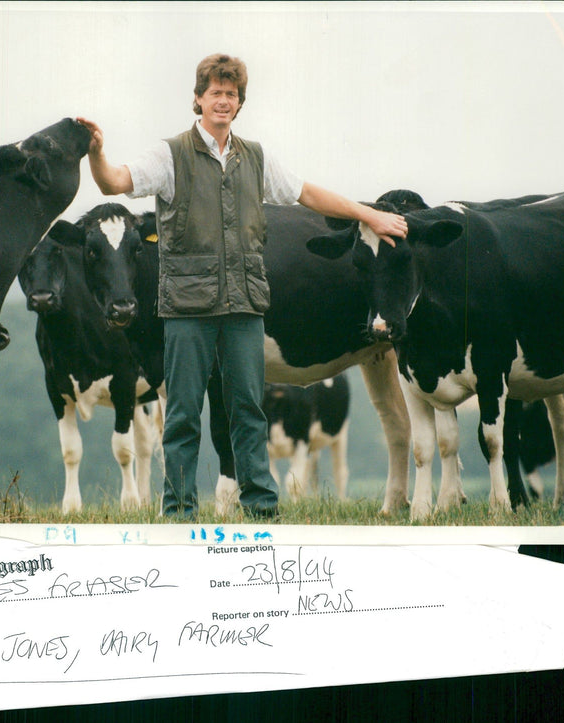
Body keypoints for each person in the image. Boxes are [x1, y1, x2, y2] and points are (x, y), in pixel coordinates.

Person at [77, 53, 407, 520]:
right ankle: (179, 510)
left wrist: (368, 214)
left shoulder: (255, 157)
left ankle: (261, 507)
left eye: (231, 94)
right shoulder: (168, 156)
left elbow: (307, 194)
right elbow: (114, 183)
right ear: (198, 99)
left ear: (239, 102)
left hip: (246, 304)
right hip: (188, 307)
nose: (223, 101)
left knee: (249, 410)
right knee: (184, 415)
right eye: (215, 92)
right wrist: (96, 153)